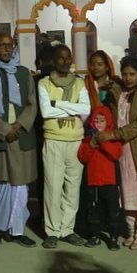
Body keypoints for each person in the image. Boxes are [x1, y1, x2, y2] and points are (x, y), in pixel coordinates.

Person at [0, 33, 39, 249]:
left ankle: (17, 230)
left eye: (10, 45)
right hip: (0, 137)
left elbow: (32, 104)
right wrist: (4, 129)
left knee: (20, 187)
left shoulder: (24, 73)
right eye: (2, 46)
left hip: (21, 136)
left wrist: (20, 125)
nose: (7, 49)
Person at [96, 56, 137, 249]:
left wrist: (115, 134)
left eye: (132, 74)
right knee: (128, 192)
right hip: (123, 149)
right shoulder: (119, 92)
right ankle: (131, 232)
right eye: (125, 74)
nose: (128, 78)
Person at [37, 45, 90, 248]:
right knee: (52, 187)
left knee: (72, 189)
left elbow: (85, 109)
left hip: (75, 141)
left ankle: (68, 229)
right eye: (61, 58)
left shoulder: (79, 83)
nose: (65, 62)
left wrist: (57, 104)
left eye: (68, 58)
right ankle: (52, 231)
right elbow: (45, 112)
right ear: (54, 60)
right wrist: (72, 110)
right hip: (54, 140)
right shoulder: (44, 83)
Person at [77, 50, 123, 250]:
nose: (96, 67)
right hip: (91, 136)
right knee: (93, 193)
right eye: (93, 63)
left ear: (107, 66)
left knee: (111, 191)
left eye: (100, 64)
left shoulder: (116, 84)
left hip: (112, 136)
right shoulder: (86, 85)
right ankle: (94, 230)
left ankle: (112, 230)